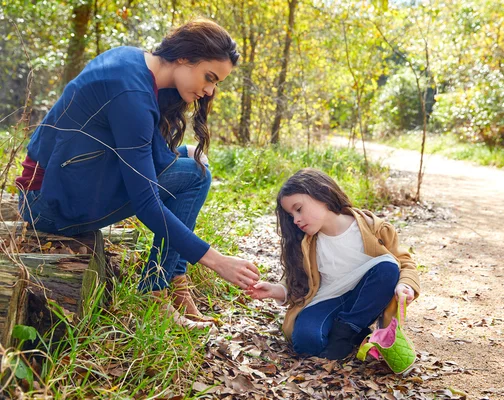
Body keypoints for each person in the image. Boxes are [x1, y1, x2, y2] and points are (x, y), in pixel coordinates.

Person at [15, 19, 259, 328]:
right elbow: (146, 203)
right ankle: (155, 291)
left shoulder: (132, 60)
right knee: (196, 175)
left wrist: (183, 154)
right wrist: (216, 261)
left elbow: (142, 151)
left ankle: (174, 278)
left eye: (216, 83)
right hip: (47, 205)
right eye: (209, 77)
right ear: (184, 57)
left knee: (192, 161)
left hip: (65, 182)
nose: (209, 91)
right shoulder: (130, 93)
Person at [246, 168, 421, 359]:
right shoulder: (306, 242)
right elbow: (298, 282)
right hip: (326, 300)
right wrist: (275, 290)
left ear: (322, 193)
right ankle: (353, 334)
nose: (296, 220)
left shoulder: (374, 228)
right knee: (306, 342)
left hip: (366, 299)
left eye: (298, 209)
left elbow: (404, 262)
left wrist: (406, 285)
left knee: (387, 267)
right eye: (291, 215)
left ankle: (345, 332)